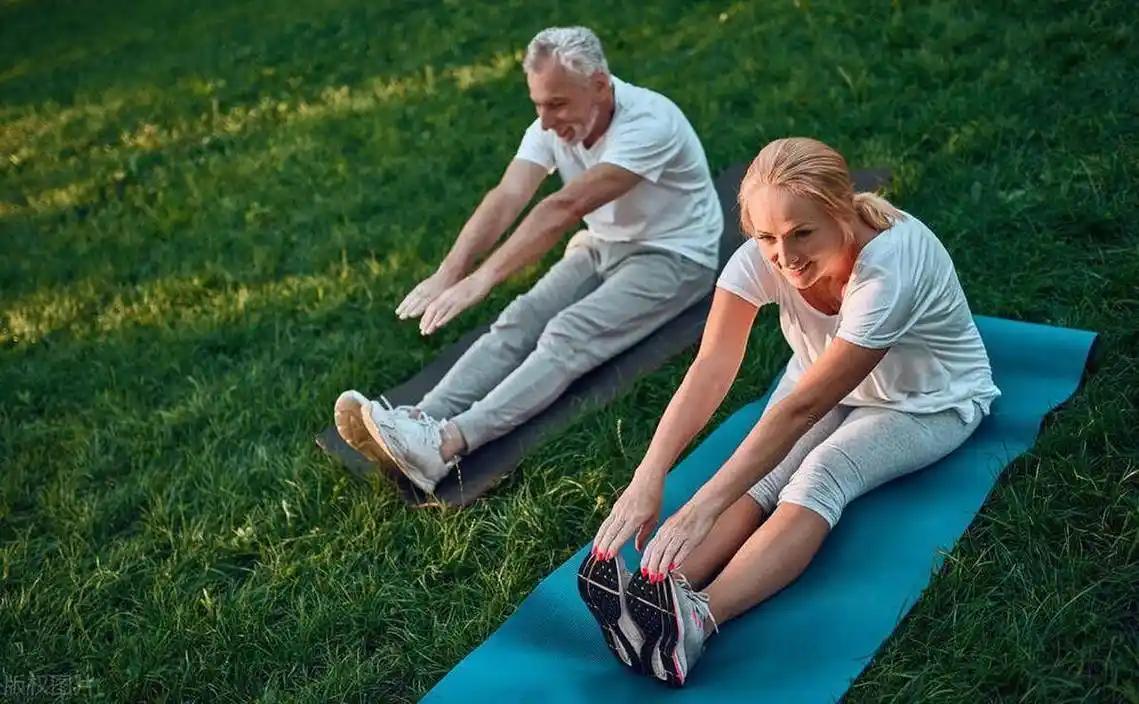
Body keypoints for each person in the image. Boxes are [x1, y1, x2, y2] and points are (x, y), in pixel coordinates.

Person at [577, 137, 1001, 686]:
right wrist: (648, 476)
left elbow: (802, 410)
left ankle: (699, 621)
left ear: (841, 210)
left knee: (822, 472)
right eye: (766, 237)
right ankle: (655, 598)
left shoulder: (888, 273)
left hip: (927, 401)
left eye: (803, 233)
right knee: (761, 474)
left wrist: (702, 506)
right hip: (823, 376)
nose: (785, 256)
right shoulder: (763, 255)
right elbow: (712, 366)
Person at [333, 26, 722, 494]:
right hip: (603, 243)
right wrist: (450, 272)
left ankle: (444, 446)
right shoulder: (553, 123)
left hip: (676, 255)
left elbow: (563, 208)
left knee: (568, 333)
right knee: (521, 318)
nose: (544, 120)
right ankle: (422, 417)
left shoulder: (649, 124)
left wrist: (483, 279)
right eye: (538, 104)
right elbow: (508, 195)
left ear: (599, 84)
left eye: (556, 103)